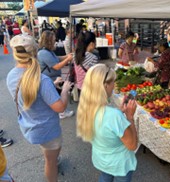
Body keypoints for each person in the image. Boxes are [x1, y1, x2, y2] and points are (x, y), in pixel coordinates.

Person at [6, 34, 73, 182]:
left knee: (49, 154)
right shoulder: (42, 80)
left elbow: (29, 96)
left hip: (30, 126)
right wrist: (64, 90)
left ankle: (53, 159)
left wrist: (51, 86)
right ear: (35, 52)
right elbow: (60, 107)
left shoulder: (11, 76)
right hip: (47, 129)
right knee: (50, 162)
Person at [77, 64, 137, 182]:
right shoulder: (114, 116)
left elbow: (104, 123)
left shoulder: (86, 108)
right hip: (119, 164)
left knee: (105, 177)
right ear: (105, 86)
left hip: (102, 159)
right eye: (113, 82)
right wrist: (129, 117)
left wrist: (119, 113)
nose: (114, 85)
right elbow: (132, 145)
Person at [38, 30, 74, 119]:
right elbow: (56, 66)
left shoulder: (48, 51)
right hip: (50, 78)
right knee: (56, 95)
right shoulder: (44, 53)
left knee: (57, 93)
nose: (55, 41)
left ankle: (61, 111)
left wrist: (66, 56)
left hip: (53, 77)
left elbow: (56, 58)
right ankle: (61, 112)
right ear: (49, 40)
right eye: (53, 39)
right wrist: (67, 59)